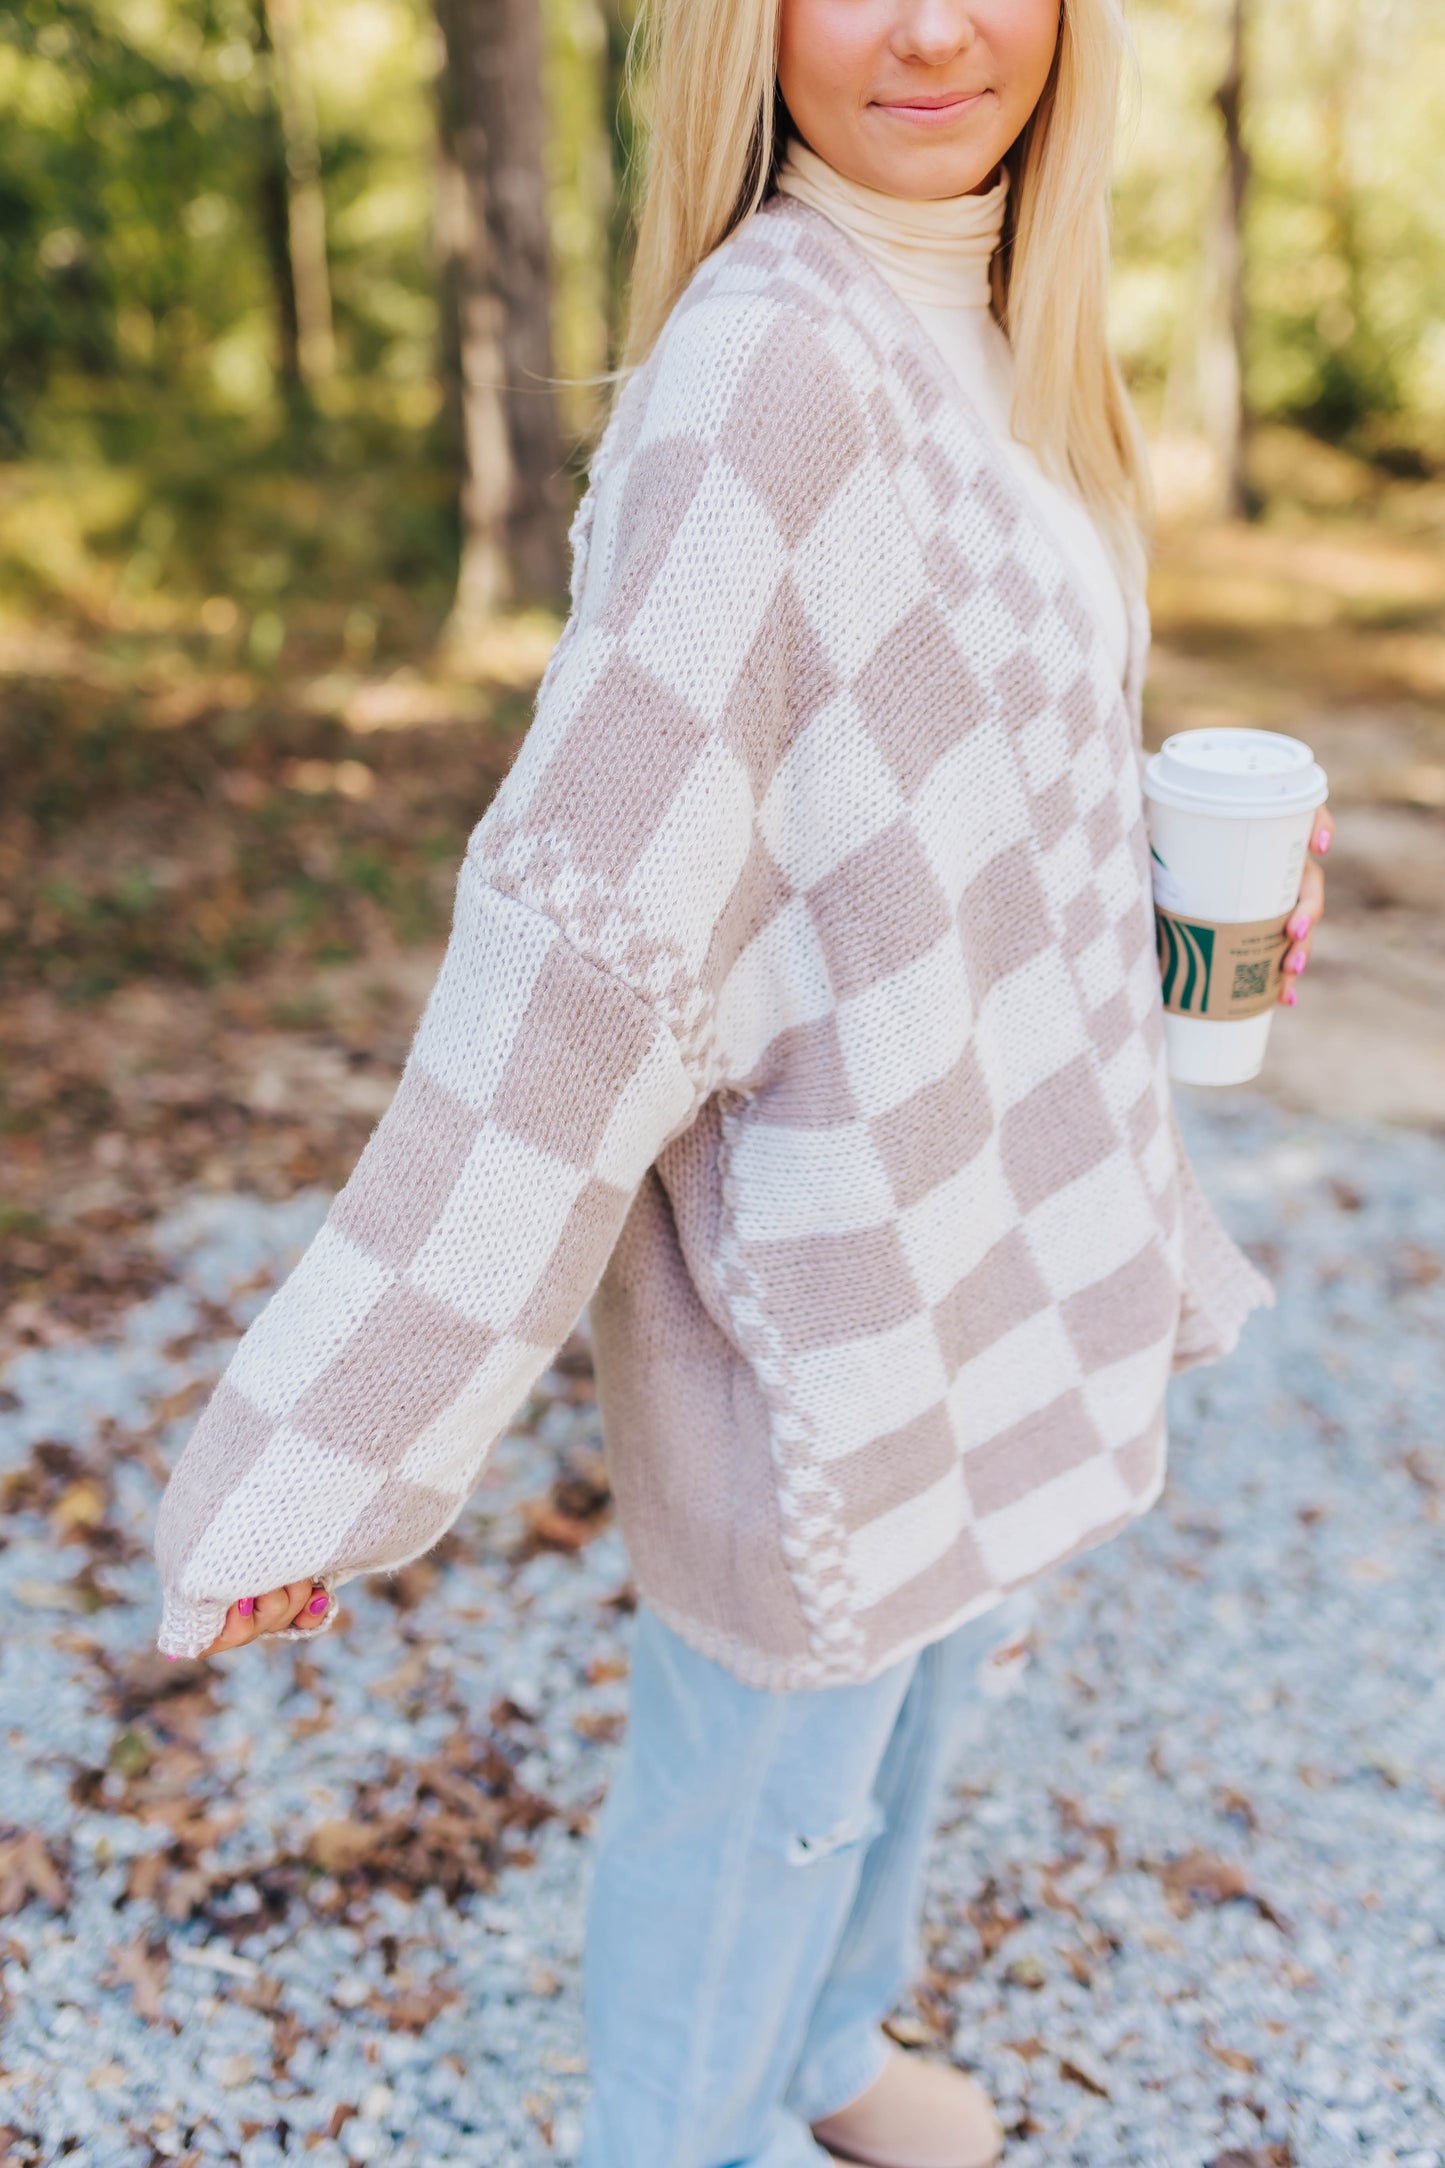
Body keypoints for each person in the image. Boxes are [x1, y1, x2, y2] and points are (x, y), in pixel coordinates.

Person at [153, 0, 1333, 2161]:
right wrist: (334, 1435)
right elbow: (575, 970)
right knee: (758, 1810)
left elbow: (925, 763)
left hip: (979, 1238)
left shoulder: (996, 308)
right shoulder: (767, 372)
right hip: (810, 1310)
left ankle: (827, 2059)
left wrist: (1160, 871)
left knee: (911, 1723)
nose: (930, 27)